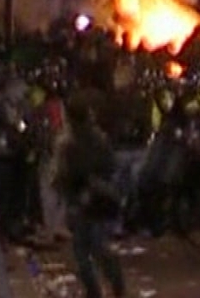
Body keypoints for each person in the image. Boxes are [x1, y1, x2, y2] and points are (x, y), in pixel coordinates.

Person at [54, 96, 125, 298]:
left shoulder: (68, 144)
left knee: (82, 250)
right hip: (100, 196)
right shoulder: (99, 139)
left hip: (81, 198)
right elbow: (111, 166)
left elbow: (62, 176)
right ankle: (114, 280)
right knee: (97, 245)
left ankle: (94, 290)